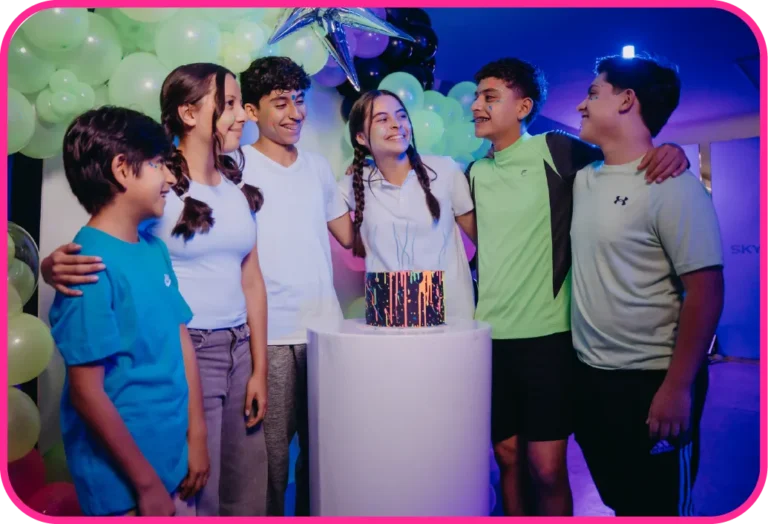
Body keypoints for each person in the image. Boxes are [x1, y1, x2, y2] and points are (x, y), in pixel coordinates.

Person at [465, 57, 690, 516]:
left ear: (523, 107)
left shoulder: (556, 149)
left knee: (546, 468)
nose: (475, 106)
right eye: (476, 96)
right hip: (488, 339)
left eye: (489, 96)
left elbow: (626, 156)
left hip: (548, 340)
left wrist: (673, 149)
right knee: (506, 458)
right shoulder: (474, 173)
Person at [42, 63, 270, 516]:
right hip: (189, 354)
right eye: (228, 103)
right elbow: (106, 237)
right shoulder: (159, 193)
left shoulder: (234, 188)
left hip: (237, 348)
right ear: (189, 113)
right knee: (197, 495)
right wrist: (52, 266)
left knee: (244, 489)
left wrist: (259, 368)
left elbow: (251, 277)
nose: (242, 114)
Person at [570, 53, 724, 516]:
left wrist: (677, 388)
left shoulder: (673, 185)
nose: (581, 104)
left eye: (593, 93)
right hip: (591, 380)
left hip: (653, 381)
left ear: (626, 100)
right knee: (620, 500)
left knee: (658, 507)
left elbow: (706, 292)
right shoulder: (583, 178)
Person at [48, 106, 208, 516]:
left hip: (173, 463)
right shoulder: (86, 266)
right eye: (158, 164)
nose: (170, 178)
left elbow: (179, 340)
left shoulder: (154, 250)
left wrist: (197, 436)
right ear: (122, 170)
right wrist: (146, 485)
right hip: (126, 486)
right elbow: (87, 392)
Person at [238, 56, 353, 516]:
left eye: (300, 100)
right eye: (281, 102)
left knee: (324, 457)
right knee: (270, 462)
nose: (295, 113)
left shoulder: (318, 167)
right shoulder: (234, 166)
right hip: (270, 335)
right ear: (251, 111)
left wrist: (387, 184)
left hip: (325, 331)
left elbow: (351, 237)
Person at [340, 89, 476, 321]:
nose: (396, 124)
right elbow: (329, 214)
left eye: (401, 116)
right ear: (361, 137)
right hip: (388, 316)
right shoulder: (356, 182)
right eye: (382, 119)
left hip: (451, 317)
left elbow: (483, 241)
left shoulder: (445, 170)